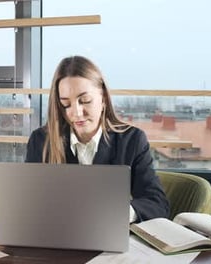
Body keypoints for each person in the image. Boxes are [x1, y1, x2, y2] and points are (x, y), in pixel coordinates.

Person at [25, 55, 170, 223]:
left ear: (103, 99)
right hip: (56, 238)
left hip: (109, 240)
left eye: (85, 100)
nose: (77, 113)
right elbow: (30, 204)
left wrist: (120, 212)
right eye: (66, 104)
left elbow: (157, 205)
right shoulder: (41, 141)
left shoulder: (131, 141)